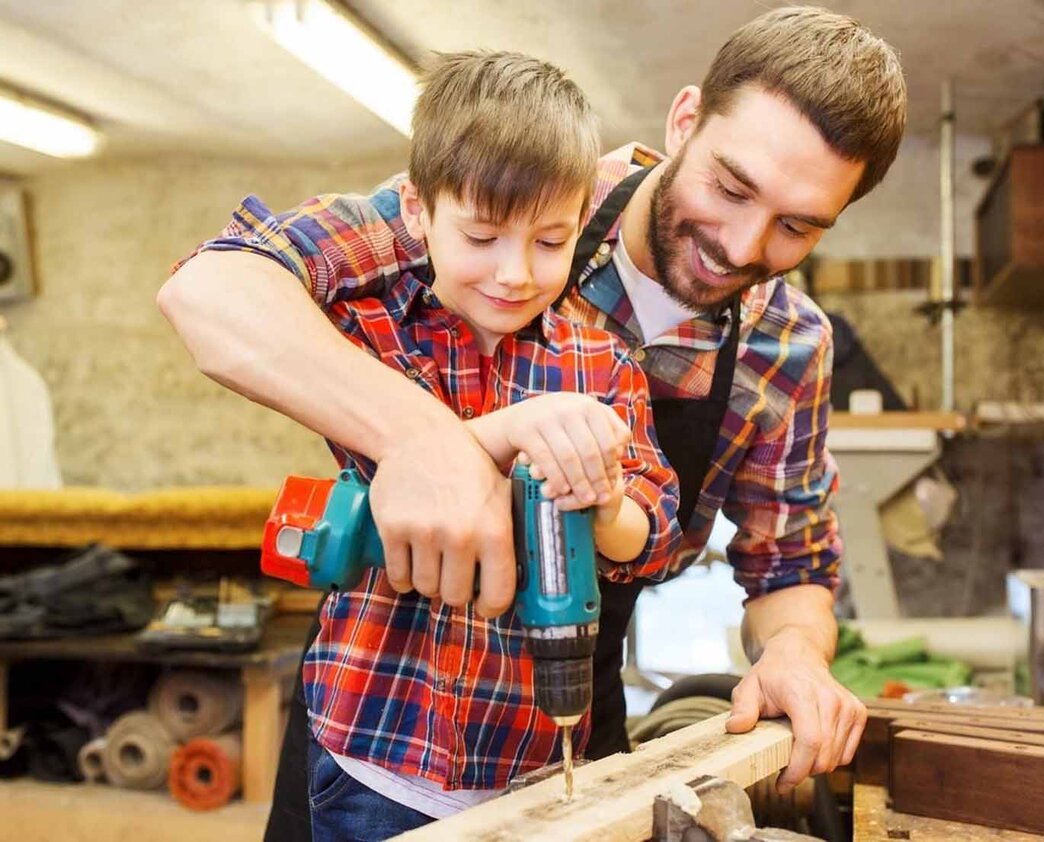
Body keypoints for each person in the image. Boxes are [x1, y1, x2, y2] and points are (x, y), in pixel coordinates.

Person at [158, 6, 907, 839]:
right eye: (730, 188)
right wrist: (431, 440)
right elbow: (216, 291)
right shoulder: (523, 188)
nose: (740, 243)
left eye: (797, 225)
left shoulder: (789, 343)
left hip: (564, 710)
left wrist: (796, 654)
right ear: (686, 120)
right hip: (380, 706)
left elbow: (788, 565)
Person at [167, 51, 681, 839]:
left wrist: (604, 499)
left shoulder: (601, 365)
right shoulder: (366, 330)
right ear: (416, 210)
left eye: (549, 241)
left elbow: (652, 539)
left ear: (582, 223)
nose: (514, 273)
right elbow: (222, 289)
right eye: (481, 236)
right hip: (375, 743)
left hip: (533, 760)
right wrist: (499, 437)